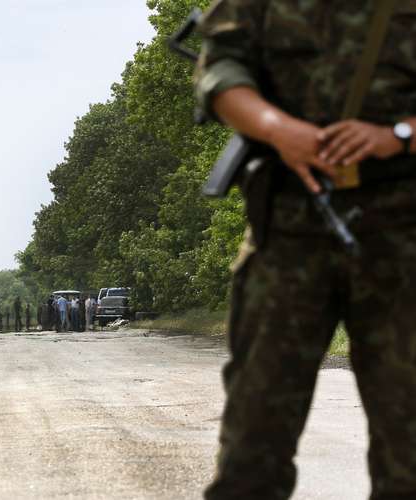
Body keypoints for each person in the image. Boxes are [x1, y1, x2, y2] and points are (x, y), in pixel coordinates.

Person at [195, 2, 416, 499]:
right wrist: (278, 129)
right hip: (287, 236)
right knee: (253, 454)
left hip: (404, 240)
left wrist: (396, 136)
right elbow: (221, 66)